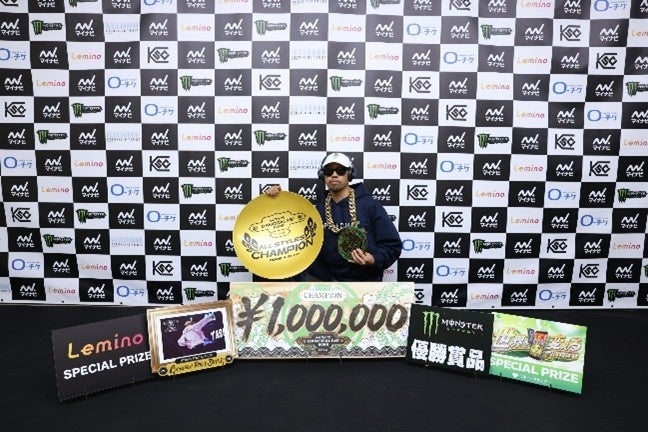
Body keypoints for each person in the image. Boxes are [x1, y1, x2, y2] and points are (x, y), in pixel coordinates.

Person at [266, 152, 402, 281]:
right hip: (326, 286)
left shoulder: (370, 206)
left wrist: (373, 259)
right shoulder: (317, 210)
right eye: (329, 171)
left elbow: (392, 245)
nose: (334, 175)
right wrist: (277, 200)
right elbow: (290, 232)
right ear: (323, 176)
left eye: (340, 170)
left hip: (363, 283)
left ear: (349, 174)